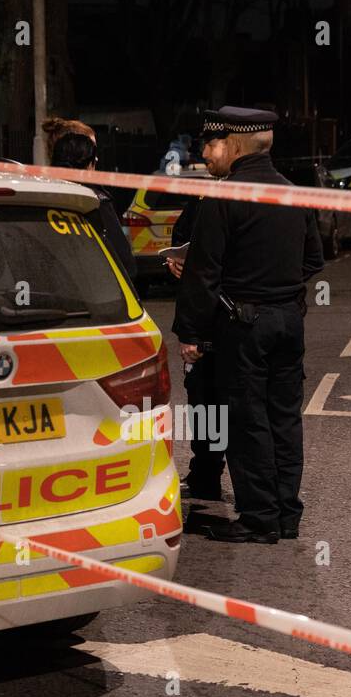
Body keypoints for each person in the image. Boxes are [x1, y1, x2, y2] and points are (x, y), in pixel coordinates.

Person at [173, 106, 324, 544]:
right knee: (284, 418)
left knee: (247, 419)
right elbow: (314, 259)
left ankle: (259, 517)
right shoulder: (296, 193)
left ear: (235, 145)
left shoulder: (225, 198)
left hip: (243, 324)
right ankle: (286, 514)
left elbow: (203, 273)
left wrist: (193, 334)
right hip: (288, 320)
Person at [164, 196, 225, 501]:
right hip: (207, 315)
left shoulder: (239, 199)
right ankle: (206, 475)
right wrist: (174, 263)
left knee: (221, 403)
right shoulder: (200, 200)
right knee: (205, 401)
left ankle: (222, 477)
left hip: (225, 316)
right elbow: (180, 241)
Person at [43, 118, 137, 282]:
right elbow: (125, 263)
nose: (96, 158)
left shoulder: (39, 192)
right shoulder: (92, 198)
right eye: (91, 149)